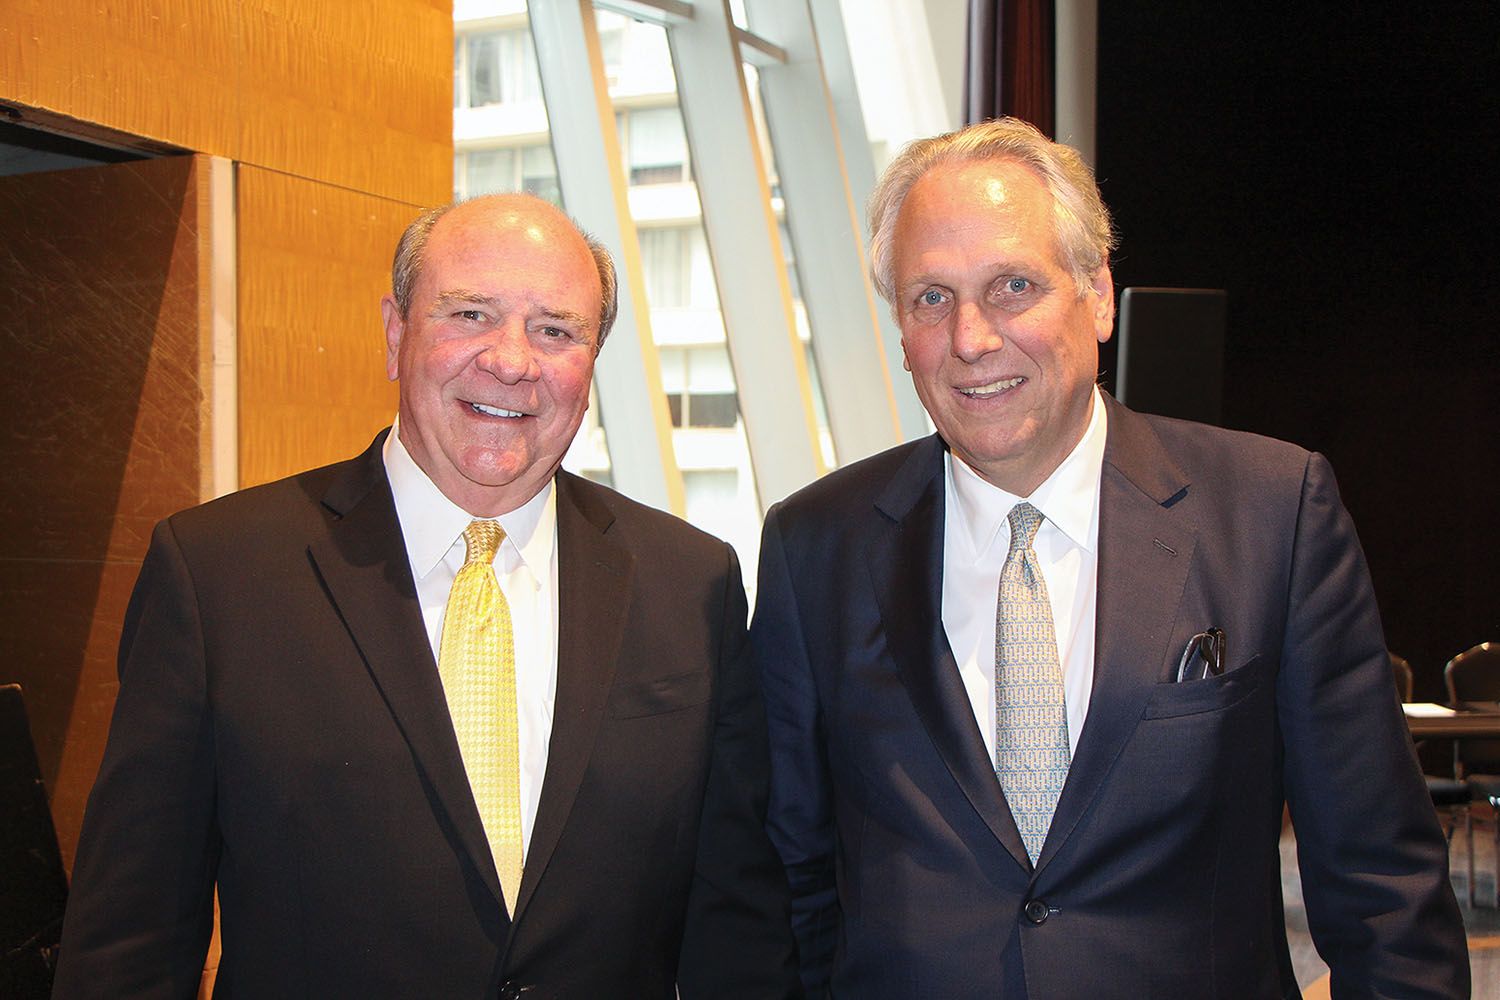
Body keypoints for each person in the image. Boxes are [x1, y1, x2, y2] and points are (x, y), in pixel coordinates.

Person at [750, 118, 1468, 998]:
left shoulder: (1271, 511)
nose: (970, 338)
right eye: (931, 298)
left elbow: (1383, 893)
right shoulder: (814, 546)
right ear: (901, 329)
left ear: (1098, 295)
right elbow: (785, 890)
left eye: (1012, 286)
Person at [54, 194, 799, 999]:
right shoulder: (220, 577)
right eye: (471, 313)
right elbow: (129, 943)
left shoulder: (691, 584)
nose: (512, 361)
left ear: (590, 364)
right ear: (395, 333)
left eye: (556, 330)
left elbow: (738, 932)